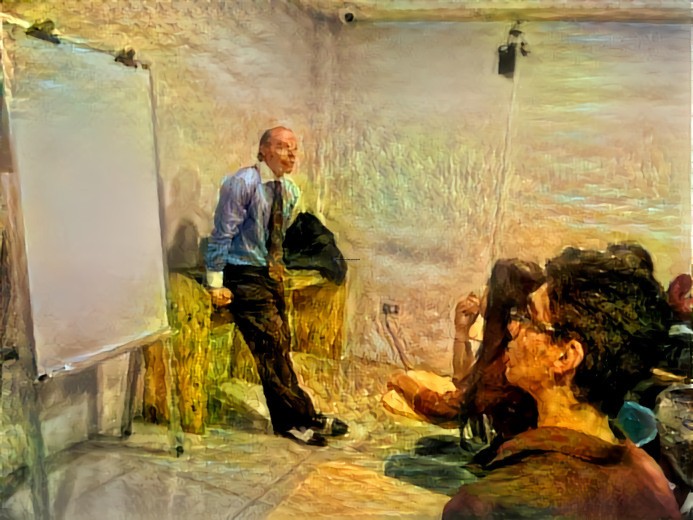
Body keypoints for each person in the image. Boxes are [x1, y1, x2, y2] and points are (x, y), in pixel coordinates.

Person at [443, 244, 681, 519]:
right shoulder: (649, 480)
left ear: (566, 356)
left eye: (528, 318)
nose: (512, 327)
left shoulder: (484, 505)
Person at [205, 126, 347, 446]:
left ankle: (303, 415)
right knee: (270, 347)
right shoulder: (243, 183)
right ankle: (293, 421)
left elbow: (276, 238)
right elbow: (222, 234)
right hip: (241, 273)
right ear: (264, 151)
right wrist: (215, 284)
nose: (291, 154)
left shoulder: (289, 190)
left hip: (269, 274)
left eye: (294, 148)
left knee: (280, 344)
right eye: (283, 147)